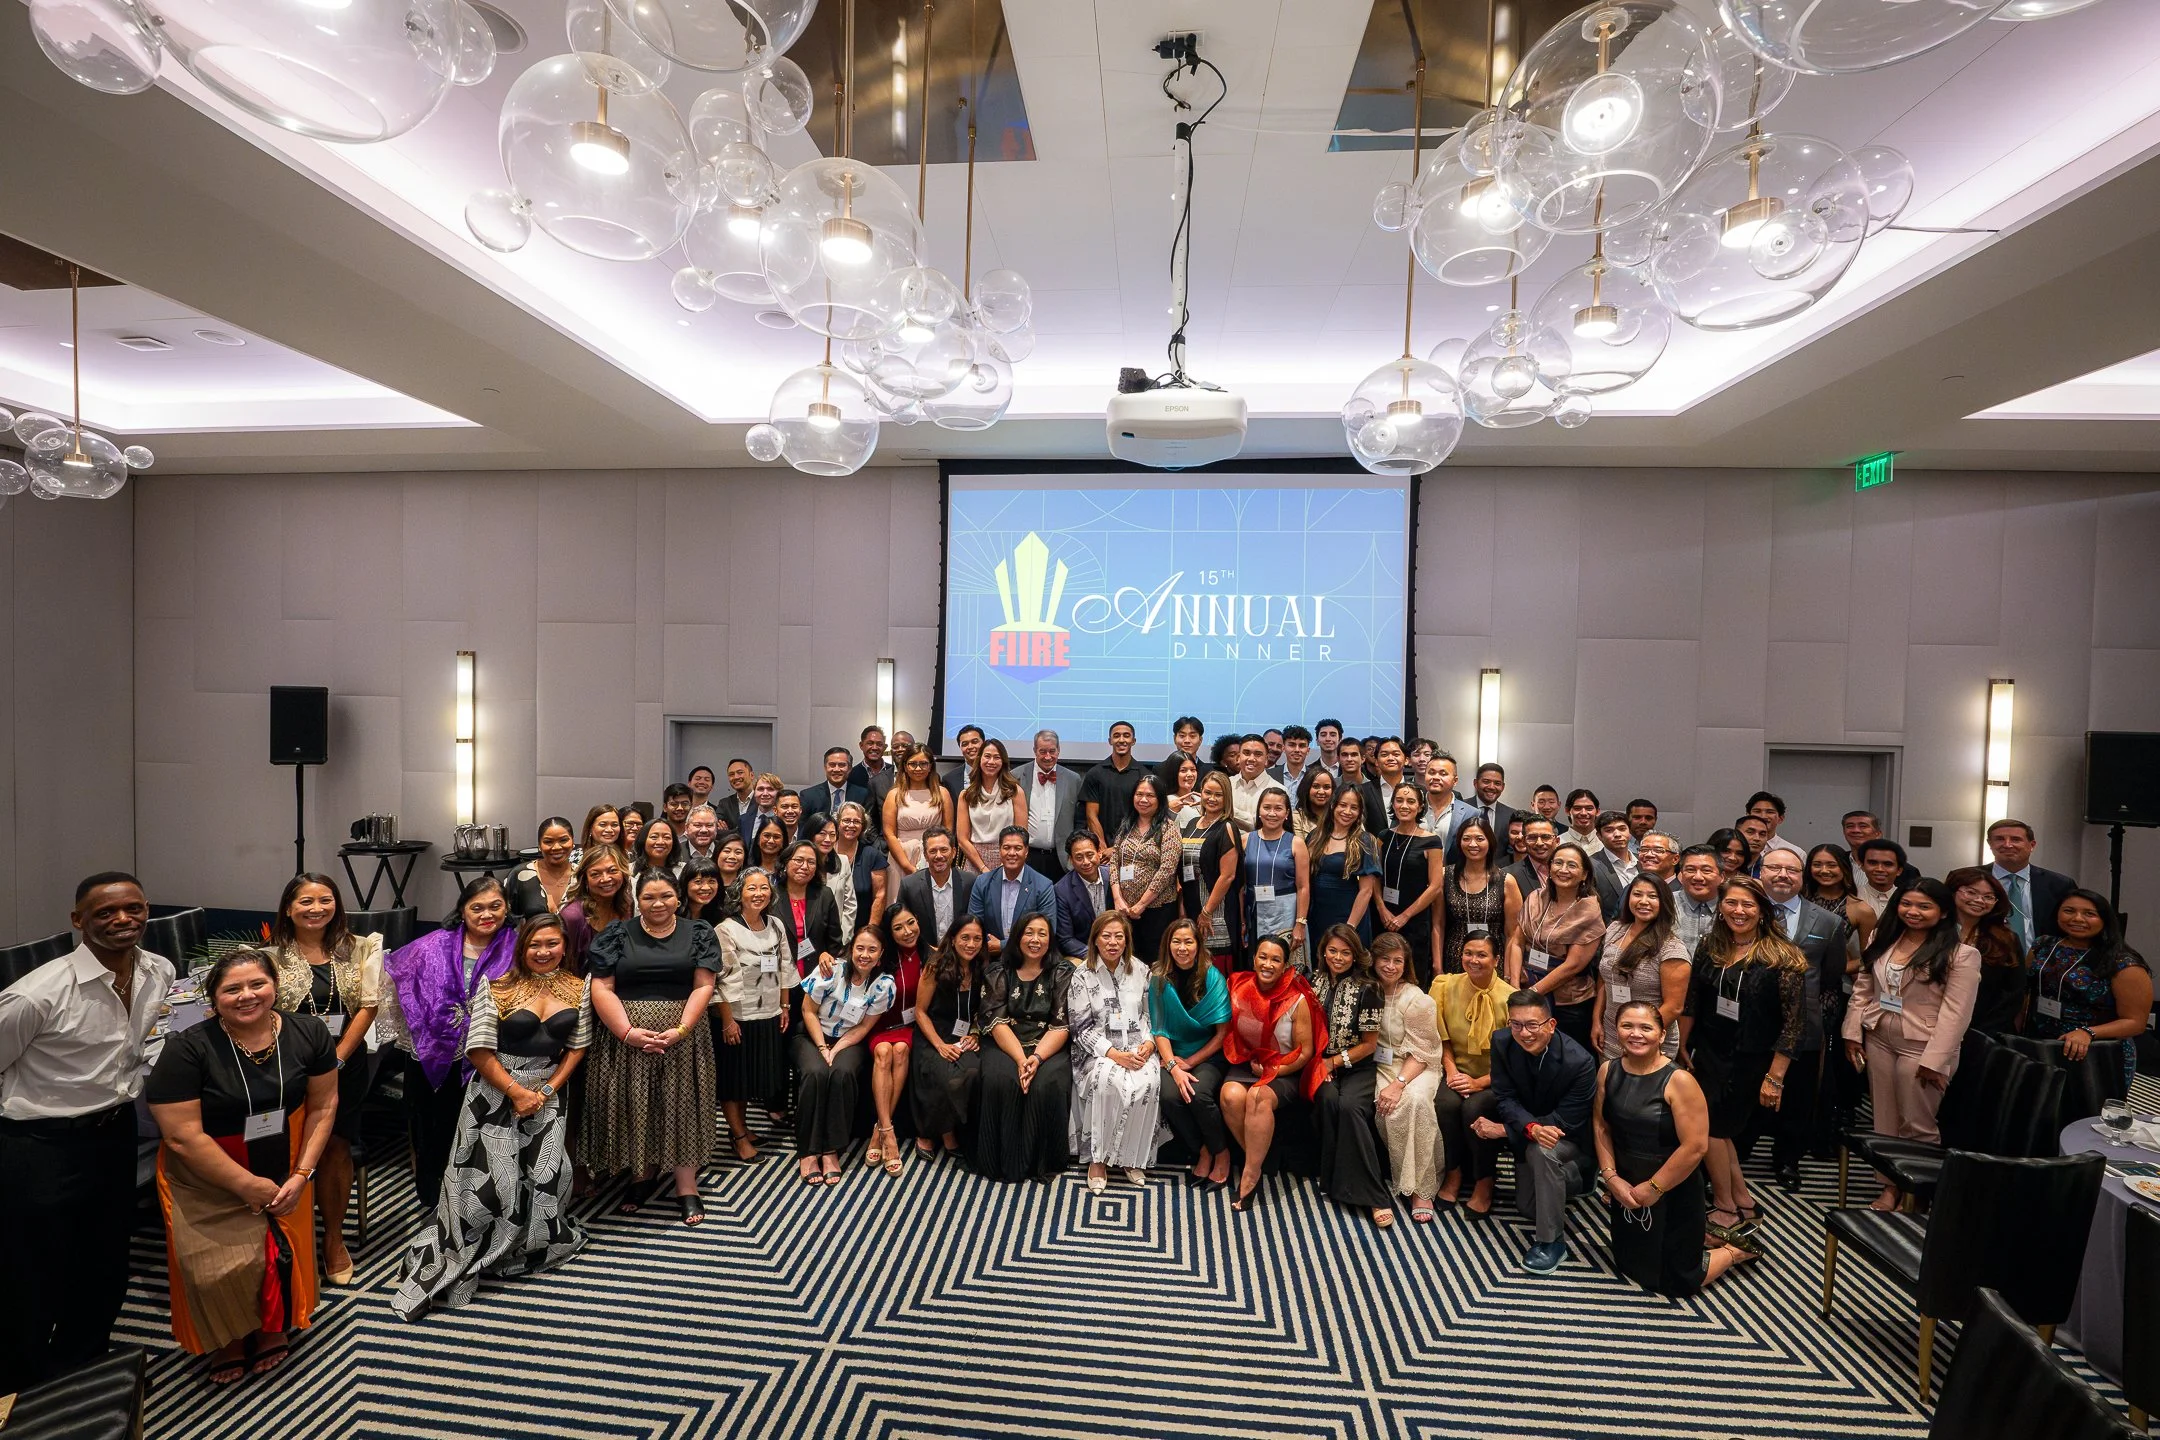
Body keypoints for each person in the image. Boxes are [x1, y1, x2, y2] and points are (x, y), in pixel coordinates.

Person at [0, 873, 172, 1394]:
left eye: (134, 909)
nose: (123, 920)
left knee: (104, 1257)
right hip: (39, 1144)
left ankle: (81, 1363)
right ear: (79, 921)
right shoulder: (35, 995)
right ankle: (20, 1384)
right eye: (105, 913)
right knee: (32, 1268)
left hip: (114, 1132)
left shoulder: (157, 971)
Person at [146, 948, 338, 1382]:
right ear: (213, 998)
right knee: (214, 1266)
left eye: (257, 984)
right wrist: (246, 1185)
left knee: (278, 1253)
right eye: (232, 989)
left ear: (275, 986)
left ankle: (274, 1327)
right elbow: (181, 1135)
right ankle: (229, 1337)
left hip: (285, 1157)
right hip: (207, 1167)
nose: (247, 995)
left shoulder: (308, 1031)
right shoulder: (188, 1048)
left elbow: (325, 1105)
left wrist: (303, 1174)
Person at [391, 914, 592, 1320]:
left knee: (546, 1174)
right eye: (535, 944)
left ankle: (529, 1244)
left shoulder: (578, 987)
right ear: (522, 948)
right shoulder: (496, 987)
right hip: (494, 1094)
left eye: (552, 943)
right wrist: (516, 1092)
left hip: (548, 1092)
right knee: (487, 1185)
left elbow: (577, 1046)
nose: (544, 952)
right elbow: (478, 1050)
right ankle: (467, 1253)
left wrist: (548, 1089)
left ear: (565, 946)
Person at [579, 870, 719, 1225]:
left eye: (666, 896)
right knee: (637, 1104)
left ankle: (686, 1184)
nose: (658, 904)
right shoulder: (616, 934)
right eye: (649, 898)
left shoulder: (699, 933)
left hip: (683, 1038)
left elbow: (704, 985)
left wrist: (682, 1029)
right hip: (626, 1038)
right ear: (637, 900)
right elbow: (602, 988)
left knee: (682, 1104)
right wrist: (627, 1033)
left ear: (678, 897)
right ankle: (642, 1173)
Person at [265, 873, 383, 1286]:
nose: (316, 908)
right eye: (306, 902)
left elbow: (368, 1007)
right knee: (287, 1147)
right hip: (286, 1065)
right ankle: (288, 1237)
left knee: (336, 1147)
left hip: (343, 1064)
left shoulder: (360, 948)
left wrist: (335, 1060)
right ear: (288, 908)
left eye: (325, 900)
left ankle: (333, 1239)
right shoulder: (270, 957)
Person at [1594, 1000, 1758, 1295]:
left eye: (1646, 1027)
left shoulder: (1679, 1080)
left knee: (1677, 1281)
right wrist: (1611, 1178)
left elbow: (1695, 1147)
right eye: (1627, 1026)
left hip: (1672, 1189)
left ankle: (1734, 1251)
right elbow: (1601, 1126)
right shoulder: (1608, 1070)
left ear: (1661, 1034)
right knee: (1629, 1262)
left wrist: (1653, 1188)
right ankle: (1706, 1238)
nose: (1636, 1034)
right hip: (1627, 1183)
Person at [1679, 876, 1806, 1242]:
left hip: (1751, 1059)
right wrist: (1682, 1045)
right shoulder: (1710, 945)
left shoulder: (1782, 957)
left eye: (1748, 905)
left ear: (1763, 911)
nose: (1739, 911)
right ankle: (1743, 1200)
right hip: (1709, 1052)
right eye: (1731, 903)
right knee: (1719, 1132)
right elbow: (1693, 1000)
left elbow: (1794, 1026)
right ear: (1721, 907)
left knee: (1713, 1130)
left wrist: (1776, 1077)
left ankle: (1725, 1207)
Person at [1841, 878, 1980, 1210]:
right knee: (1884, 1120)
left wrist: (1936, 1059)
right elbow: (1864, 984)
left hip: (1924, 1046)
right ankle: (1890, 1186)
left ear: (1944, 911)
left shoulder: (1962, 954)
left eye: (1924, 906)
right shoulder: (1882, 937)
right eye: (1906, 904)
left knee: (1917, 1124)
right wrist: (1852, 1030)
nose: (1913, 912)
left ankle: (1919, 1192)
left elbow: (1956, 1013)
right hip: (1879, 1037)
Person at [382, 877, 516, 1209]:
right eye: (477, 907)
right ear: (462, 911)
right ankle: (435, 1204)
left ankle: (483, 1205)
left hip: (494, 1058)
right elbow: (392, 979)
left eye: (495, 906)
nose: (487, 914)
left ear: (508, 908)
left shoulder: (519, 946)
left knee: (486, 1134)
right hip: (432, 1056)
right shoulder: (432, 945)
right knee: (434, 1133)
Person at [1754, 846, 1857, 1188]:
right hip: (1751, 1021)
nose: (1783, 875)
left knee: (1798, 1098)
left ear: (1802, 877)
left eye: (1792, 870)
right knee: (1745, 1090)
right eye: (1775, 868)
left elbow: (1832, 973)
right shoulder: (1744, 912)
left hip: (1804, 1024)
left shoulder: (1828, 922)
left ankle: (1788, 1160)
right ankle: (1737, 1152)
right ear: (1761, 873)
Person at [1473, 988, 1596, 1273]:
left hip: (1569, 1139)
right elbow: (1505, 1097)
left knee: (1542, 1151)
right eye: (1516, 1024)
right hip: (1530, 1129)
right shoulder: (1502, 1041)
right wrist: (1530, 1127)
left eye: (1532, 1025)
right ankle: (1563, 1183)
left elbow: (1568, 1121)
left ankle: (1552, 1242)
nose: (1524, 1033)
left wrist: (1507, 1131)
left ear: (1551, 1025)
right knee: (1528, 1208)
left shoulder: (1580, 1062)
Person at [1220, 934, 1320, 1214]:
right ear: (1254, 959)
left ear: (1286, 964)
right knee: (1230, 1096)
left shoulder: (1297, 998)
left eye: (1276, 959)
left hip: (1285, 1070)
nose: (1267, 964)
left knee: (1257, 1096)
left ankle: (1250, 1176)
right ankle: (1261, 1158)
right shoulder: (1240, 986)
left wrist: (1275, 1070)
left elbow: (1305, 1052)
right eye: (1263, 957)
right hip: (1248, 1062)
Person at [973, 913, 1074, 1181]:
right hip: (1006, 1042)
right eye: (1029, 932)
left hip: (1048, 1044)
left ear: (1050, 939)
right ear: (1017, 936)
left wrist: (1037, 1059)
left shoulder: (1062, 972)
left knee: (1047, 1084)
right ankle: (1002, 1162)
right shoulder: (998, 971)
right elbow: (996, 1022)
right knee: (1001, 1081)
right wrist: (1021, 1059)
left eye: (1042, 933)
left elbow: (1061, 1024)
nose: (1035, 939)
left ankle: (1041, 1163)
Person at [1067, 911, 1160, 1191]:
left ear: (1126, 940)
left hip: (1138, 1047)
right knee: (1107, 1083)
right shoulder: (1082, 975)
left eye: (1119, 936)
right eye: (1106, 936)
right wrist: (1114, 1055)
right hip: (1097, 1051)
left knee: (1149, 1083)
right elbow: (1080, 1028)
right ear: (1095, 940)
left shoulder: (1141, 971)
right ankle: (1098, 1160)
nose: (1112, 942)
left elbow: (1151, 1016)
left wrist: (1148, 1044)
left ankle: (1132, 1157)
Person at [2022, 888, 2151, 1092]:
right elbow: (2027, 990)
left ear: (2104, 919)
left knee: (2084, 1116)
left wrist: (2088, 1032)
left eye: (2089, 914)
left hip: (2093, 1051)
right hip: (2039, 1042)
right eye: (2069, 911)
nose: (2077, 918)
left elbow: (2136, 1023)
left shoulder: (2123, 963)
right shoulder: (2043, 945)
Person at [795, 927, 896, 1183]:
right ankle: (808, 1151)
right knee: (815, 1073)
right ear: (851, 950)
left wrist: (837, 1049)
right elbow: (808, 1012)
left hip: (850, 1041)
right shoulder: (831, 970)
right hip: (811, 1034)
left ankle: (831, 1150)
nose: (865, 955)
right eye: (860, 948)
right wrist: (822, 1048)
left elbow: (864, 1027)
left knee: (842, 1073)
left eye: (872, 949)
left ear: (881, 954)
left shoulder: (883, 985)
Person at [1307, 925, 1393, 1227]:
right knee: (1328, 1099)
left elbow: (1369, 1046)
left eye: (1345, 952)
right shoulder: (1313, 980)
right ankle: (1332, 1180)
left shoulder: (1369, 987)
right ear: (1323, 952)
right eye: (1332, 951)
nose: (1338, 958)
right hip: (1319, 1062)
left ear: (1356, 955)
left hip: (1356, 1064)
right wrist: (1318, 1062)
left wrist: (1332, 1064)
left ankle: (1374, 1196)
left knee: (1350, 1107)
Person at [712, 867, 794, 1161]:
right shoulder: (726, 929)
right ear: (740, 894)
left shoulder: (775, 925)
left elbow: (785, 965)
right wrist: (728, 1020)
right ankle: (738, 1137)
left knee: (749, 1079)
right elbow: (720, 980)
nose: (758, 894)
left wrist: (784, 1006)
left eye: (763, 888)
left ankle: (744, 1129)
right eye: (751, 889)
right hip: (739, 1017)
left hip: (769, 1013)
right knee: (734, 1080)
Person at [1368, 933, 1444, 1222]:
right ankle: (1404, 1175)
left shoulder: (1416, 999)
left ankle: (1422, 1188)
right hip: (1380, 1064)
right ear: (1374, 960)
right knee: (1388, 1107)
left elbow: (1424, 1051)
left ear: (1406, 964)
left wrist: (1399, 1084)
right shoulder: (1367, 989)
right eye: (1385, 959)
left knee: (1414, 1101)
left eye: (1397, 961)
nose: (1390, 966)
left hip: (1417, 1064)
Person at [1431, 931, 1507, 1217]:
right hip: (1455, 1070)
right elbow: (1442, 1039)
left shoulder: (1509, 998)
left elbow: (1512, 1060)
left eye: (1482, 955)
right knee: (1446, 1104)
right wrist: (1451, 1072)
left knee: (1475, 1108)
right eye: (1468, 953)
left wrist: (1479, 1083)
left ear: (1496, 959)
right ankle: (1454, 1172)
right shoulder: (1445, 986)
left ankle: (1485, 1180)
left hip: (1493, 1077)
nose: (1473, 960)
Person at [1151, 918, 1232, 1188]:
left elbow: (1221, 1035)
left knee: (1198, 1094)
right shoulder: (1159, 979)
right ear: (1168, 945)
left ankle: (1222, 1153)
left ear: (1198, 945)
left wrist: (1189, 1064)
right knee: (1170, 1095)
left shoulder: (1213, 976)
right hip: (1173, 1054)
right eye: (1176, 941)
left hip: (1208, 1053)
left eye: (1188, 941)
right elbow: (1159, 1029)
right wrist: (1174, 1066)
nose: (1182, 948)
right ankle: (1203, 1149)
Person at [1510, 843, 1604, 1052]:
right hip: (1526, 988)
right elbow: (1517, 942)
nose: (1563, 870)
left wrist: (1534, 993)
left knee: (1565, 1059)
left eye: (1572, 865)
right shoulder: (1536, 897)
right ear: (1549, 868)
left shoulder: (1588, 909)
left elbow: (1573, 965)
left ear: (1584, 874)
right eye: (1558, 863)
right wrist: (1515, 987)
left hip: (1568, 1002)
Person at [1592, 875, 1689, 1060]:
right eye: (1637, 894)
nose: (1643, 901)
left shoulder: (1672, 948)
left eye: (1653, 896)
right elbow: (1605, 979)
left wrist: (1637, 1036)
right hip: (1611, 1033)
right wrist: (1596, 1021)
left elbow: (1674, 1007)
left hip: (1646, 1042)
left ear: (1664, 902)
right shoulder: (1615, 928)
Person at [911, 914, 985, 1155]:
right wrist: (940, 1045)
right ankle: (934, 1131)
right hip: (934, 1034)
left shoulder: (982, 968)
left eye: (977, 939)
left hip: (963, 1036)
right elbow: (920, 1012)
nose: (971, 944)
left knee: (972, 1072)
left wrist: (975, 1033)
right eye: (965, 938)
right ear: (953, 939)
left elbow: (981, 1011)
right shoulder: (935, 965)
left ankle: (951, 1128)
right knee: (943, 1075)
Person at [865, 908, 925, 1173]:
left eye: (911, 923)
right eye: (899, 928)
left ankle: (880, 1131)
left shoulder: (930, 955)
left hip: (909, 1027)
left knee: (900, 1050)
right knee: (883, 1053)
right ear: (890, 933)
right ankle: (887, 1131)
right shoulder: (881, 958)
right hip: (879, 1025)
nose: (908, 931)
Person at [1108, 774, 1182, 965]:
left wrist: (1141, 904)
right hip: (1123, 910)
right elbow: (1115, 862)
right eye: (1139, 794)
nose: (1143, 799)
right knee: (1125, 961)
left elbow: (1166, 871)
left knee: (1153, 963)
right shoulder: (1126, 826)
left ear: (1160, 799)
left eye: (1150, 795)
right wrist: (1118, 899)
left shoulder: (1168, 829)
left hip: (1157, 911)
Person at [1944, 866, 2027, 1036]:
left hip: (1985, 1033)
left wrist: (1982, 1031)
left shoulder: (2006, 939)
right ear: (1952, 892)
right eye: (1971, 892)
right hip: (1931, 1026)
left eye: (1988, 897)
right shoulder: (1932, 933)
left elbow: (2013, 992)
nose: (1979, 900)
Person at [1376, 782, 1445, 984]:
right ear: (1393, 804)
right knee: (1383, 973)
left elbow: (1435, 886)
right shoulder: (1383, 837)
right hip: (1384, 918)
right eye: (1399, 800)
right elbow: (1375, 878)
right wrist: (1382, 910)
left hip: (1414, 920)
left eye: (1410, 801)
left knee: (1412, 975)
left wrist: (1404, 916)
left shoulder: (1431, 841)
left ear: (1420, 806)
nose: (1404, 805)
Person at [1180, 769, 1244, 968]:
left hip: (1216, 911)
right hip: (1191, 905)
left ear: (1227, 798)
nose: (1212, 799)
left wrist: (1207, 912)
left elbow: (1228, 875)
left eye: (1218, 794)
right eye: (1208, 792)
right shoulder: (1191, 823)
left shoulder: (1226, 827)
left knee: (1214, 968)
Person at [1438, 817, 1515, 977]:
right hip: (1455, 960)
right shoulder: (1445, 875)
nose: (1473, 844)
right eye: (1466, 839)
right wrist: (1437, 967)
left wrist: (1509, 974)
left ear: (1490, 842)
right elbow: (1438, 925)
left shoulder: (1506, 880)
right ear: (1459, 842)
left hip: (1492, 961)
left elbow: (1512, 934)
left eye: (1479, 839)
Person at [1242, 787, 1309, 971]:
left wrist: (1300, 924)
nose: (1272, 813)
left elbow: (1303, 887)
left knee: (1286, 966)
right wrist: (1242, 920)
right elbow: (1240, 885)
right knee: (1258, 966)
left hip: (1285, 913)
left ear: (1287, 813)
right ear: (1259, 811)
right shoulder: (1246, 840)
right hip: (1255, 912)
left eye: (1278, 808)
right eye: (1267, 807)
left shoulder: (1296, 843)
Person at [968, 824, 1060, 957]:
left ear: (1026, 851)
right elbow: (973, 925)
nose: (1012, 853)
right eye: (1006, 848)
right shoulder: (982, 882)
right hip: (989, 957)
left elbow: (1048, 931)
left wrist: (1002, 945)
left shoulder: (1043, 886)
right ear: (999, 850)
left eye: (1018, 848)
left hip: (1028, 958)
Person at [1986, 818, 2077, 952]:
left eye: (2016, 839)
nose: (2007, 845)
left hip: (2041, 964)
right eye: (1999, 839)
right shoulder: (1968, 879)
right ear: (1990, 844)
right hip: (1982, 963)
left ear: (2032, 845)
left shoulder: (2059, 884)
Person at [1307, 786, 1381, 945]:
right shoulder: (1315, 836)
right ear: (1333, 805)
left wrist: (1349, 928)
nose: (1347, 811)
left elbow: (1366, 891)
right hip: (1317, 916)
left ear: (1360, 812)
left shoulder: (1366, 841)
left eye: (1354, 807)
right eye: (1343, 805)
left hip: (1348, 917)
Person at [775, 840, 846, 981]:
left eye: (811, 862)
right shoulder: (772, 896)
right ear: (785, 863)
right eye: (798, 860)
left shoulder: (824, 895)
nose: (805, 866)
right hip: (780, 976)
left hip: (817, 976)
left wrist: (828, 956)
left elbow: (835, 942)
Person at [896, 827, 977, 948]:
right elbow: (902, 926)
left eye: (944, 850)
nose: (939, 856)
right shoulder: (909, 885)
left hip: (961, 954)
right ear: (925, 855)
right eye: (933, 851)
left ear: (954, 852)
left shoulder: (969, 882)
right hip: (924, 956)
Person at [958, 739, 1027, 873]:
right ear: (979, 759)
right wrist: (982, 867)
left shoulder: (1015, 792)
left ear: (1003, 762)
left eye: (997, 757)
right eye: (987, 756)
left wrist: (1006, 862)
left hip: (1008, 858)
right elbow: (962, 839)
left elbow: (1022, 834)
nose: (991, 762)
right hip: (974, 861)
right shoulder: (966, 795)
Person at [882, 745, 951, 875]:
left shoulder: (942, 793)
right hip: (901, 859)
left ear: (930, 766)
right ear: (905, 767)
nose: (918, 768)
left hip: (935, 857)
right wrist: (907, 866)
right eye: (912, 764)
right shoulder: (894, 795)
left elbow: (948, 831)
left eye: (923, 764)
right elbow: (889, 834)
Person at [1023, 729, 1083, 879]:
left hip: (1062, 859)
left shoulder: (1073, 779)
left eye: (1052, 751)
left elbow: (1080, 820)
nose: (1048, 756)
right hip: (1029, 857)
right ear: (1034, 751)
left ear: (1059, 751)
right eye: (1042, 751)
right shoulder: (1017, 776)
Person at [560, 844, 631, 968]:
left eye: (612, 871)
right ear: (585, 880)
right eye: (595, 874)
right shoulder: (573, 916)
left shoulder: (627, 904)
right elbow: (566, 965)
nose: (605, 879)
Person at [1081, 721, 1147, 845]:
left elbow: (1145, 818)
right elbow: (1091, 815)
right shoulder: (1095, 773)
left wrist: (1120, 848)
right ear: (1110, 740)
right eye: (1116, 736)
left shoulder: (1144, 775)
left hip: (1133, 848)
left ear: (1134, 741)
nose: (1121, 740)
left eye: (1126, 735)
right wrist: (1101, 846)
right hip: (1102, 851)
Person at [832, 802, 889, 940]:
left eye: (856, 821)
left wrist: (870, 932)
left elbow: (880, 896)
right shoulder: (825, 852)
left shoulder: (872, 855)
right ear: (837, 822)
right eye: (846, 820)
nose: (851, 825)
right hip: (826, 929)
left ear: (863, 826)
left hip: (861, 930)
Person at [1053, 830, 1110, 958]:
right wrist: (1094, 956)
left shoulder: (1114, 878)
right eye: (1079, 857)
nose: (1086, 862)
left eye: (1090, 855)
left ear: (1099, 852)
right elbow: (1066, 939)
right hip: (1085, 954)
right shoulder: (1061, 890)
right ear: (1071, 860)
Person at [508, 817, 578, 917]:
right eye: (548, 842)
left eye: (563, 840)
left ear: (572, 842)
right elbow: (508, 918)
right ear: (539, 845)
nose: (556, 847)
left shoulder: (581, 875)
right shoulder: (521, 874)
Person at [1672, 845, 1725, 955]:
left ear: (1722, 877)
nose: (1698, 877)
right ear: (1681, 875)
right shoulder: (1665, 903)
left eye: (1706, 870)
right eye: (1690, 870)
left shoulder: (1731, 907)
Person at [806, 746, 869, 824]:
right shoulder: (809, 796)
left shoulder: (863, 795)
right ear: (825, 767)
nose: (836, 769)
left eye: (842, 765)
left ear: (849, 769)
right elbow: (804, 831)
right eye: (832, 765)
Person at [1225, 734, 1273, 827]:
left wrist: (1226, 808)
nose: (1251, 759)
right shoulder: (1226, 785)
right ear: (1238, 757)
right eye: (1246, 753)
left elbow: (1267, 825)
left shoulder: (1277, 789)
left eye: (1258, 754)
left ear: (1266, 759)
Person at [1854, 838, 1908, 916]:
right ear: (1862, 866)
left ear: (1899, 870)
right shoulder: (1852, 897)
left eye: (1888, 864)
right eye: (1872, 863)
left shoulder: (1907, 899)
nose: (1880, 869)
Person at [635, 817, 682, 888]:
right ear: (643, 840)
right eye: (654, 837)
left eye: (666, 837)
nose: (660, 842)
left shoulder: (683, 871)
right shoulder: (629, 871)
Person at [942, 724, 987, 797]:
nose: (970, 747)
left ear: (984, 743)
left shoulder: (997, 774)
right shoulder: (949, 779)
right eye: (965, 744)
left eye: (975, 742)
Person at [1293, 766, 1336, 840]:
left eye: (1326, 787)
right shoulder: (1297, 817)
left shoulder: (1340, 814)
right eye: (1316, 786)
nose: (1321, 792)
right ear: (1306, 788)